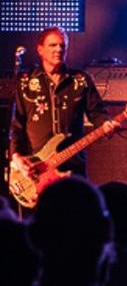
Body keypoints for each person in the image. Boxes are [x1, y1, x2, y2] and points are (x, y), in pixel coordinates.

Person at [9, 27, 115, 182]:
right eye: (52, 45)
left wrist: (105, 124)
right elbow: (17, 125)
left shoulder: (80, 80)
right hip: (36, 167)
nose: (58, 49)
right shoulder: (25, 82)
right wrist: (17, 157)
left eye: (62, 46)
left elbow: (97, 112)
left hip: (72, 164)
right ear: (40, 49)